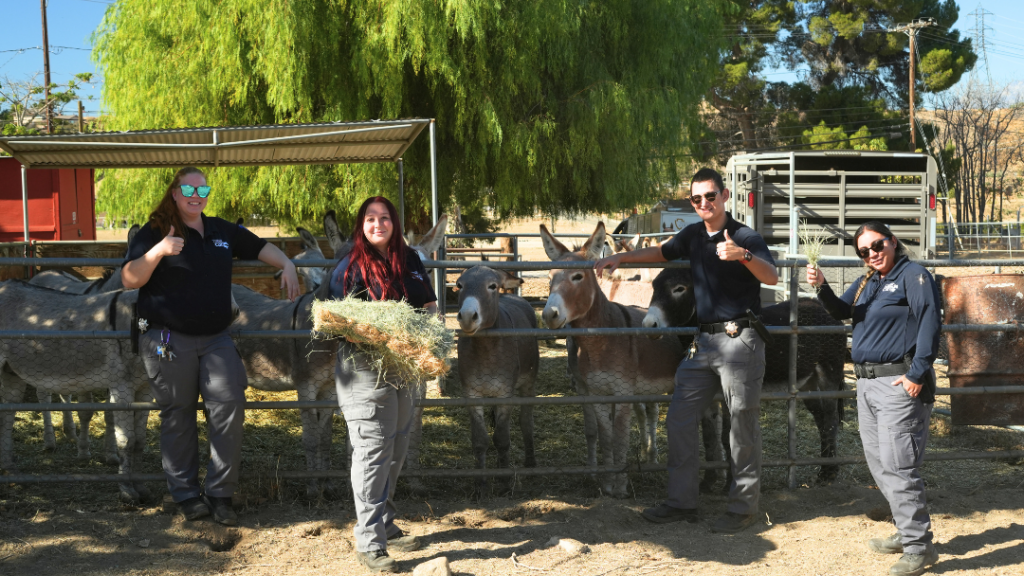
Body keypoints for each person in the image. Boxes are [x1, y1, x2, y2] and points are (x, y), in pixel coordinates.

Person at [595, 168, 778, 534]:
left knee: (741, 423)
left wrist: (742, 255)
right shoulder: (694, 235)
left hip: (738, 340)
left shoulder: (745, 236)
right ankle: (682, 502)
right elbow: (662, 252)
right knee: (679, 417)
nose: (704, 204)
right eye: (697, 199)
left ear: (725, 195)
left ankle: (743, 508)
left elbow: (771, 276)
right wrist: (621, 260)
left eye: (710, 196)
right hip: (703, 343)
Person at [122, 166, 300, 526]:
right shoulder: (154, 231)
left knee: (229, 404)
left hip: (217, 337)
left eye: (203, 191)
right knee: (178, 413)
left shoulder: (221, 229)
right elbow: (129, 279)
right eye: (188, 188)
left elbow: (259, 245)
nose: (195, 195)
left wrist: (287, 263)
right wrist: (157, 252)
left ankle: (220, 493)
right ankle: (186, 494)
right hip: (167, 339)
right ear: (174, 192)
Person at [807, 221, 941, 576]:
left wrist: (916, 374)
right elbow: (841, 311)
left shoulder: (914, 275)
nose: (872, 254)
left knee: (899, 466)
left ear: (893, 241)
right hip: (866, 384)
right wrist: (821, 288)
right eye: (863, 251)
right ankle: (906, 530)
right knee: (880, 464)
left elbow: (929, 322)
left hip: (899, 383)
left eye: (877, 245)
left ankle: (918, 547)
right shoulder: (868, 280)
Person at [327, 196, 437, 573]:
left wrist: (428, 335)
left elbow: (427, 306)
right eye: (370, 218)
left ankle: (385, 523)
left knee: (397, 445)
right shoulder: (349, 266)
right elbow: (331, 318)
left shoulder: (410, 260)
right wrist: (375, 331)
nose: (378, 224)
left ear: (395, 223)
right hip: (364, 369)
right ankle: (370, 541)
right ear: (361, 224)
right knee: (373, 451)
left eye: (385, 218)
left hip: (403, 369)